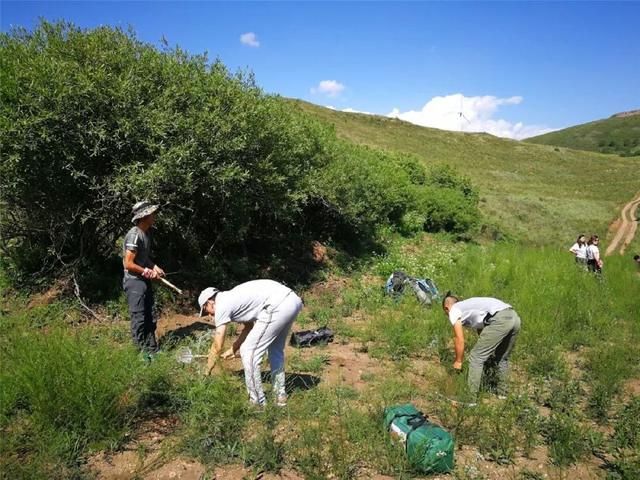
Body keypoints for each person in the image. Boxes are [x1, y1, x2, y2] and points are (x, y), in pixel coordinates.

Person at [198, 280, 303, 407]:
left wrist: (206, 372)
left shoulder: (222, 305)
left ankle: (257, 402)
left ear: (210, 301)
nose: (209, 315)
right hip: (292, 301)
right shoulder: (231, 297)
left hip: (276, 305)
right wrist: (233, 348)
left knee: (248, 352)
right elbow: (249, 326)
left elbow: (217, 346)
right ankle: (279, 396)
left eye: (206, 310)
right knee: (275, 349)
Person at [441, 293, 521, 400]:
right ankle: (502, 393)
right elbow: (483, 329)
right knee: (501, 358)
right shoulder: (471, 306)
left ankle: (469, 398)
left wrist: (458, 361)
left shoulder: (454, 310)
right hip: (514, 317)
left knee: (476, 357)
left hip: (499, 319)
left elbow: (459, 338)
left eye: (446, 313)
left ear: (446, 308)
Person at [122, 201, 165, 355]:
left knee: (150, 315)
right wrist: (146, 271)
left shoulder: (147, 233)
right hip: (134, 282)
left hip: (144, 281)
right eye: (152, 214)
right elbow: (128, 264)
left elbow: (143, 259)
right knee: (138, 318)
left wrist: (154, 266)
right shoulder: (134, 235)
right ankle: (140, 354)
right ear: (144, 216)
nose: (154, 216)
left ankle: (152, 349)